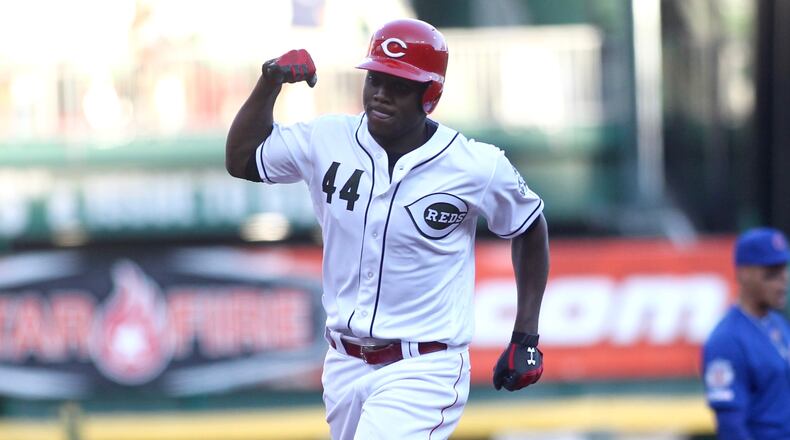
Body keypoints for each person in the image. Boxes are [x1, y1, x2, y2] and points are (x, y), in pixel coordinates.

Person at [225, 18, 549, 439]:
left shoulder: (475, 165)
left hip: (424, 366)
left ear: (429, 94)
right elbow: (242, 158)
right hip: (343, 362)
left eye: (398, 85)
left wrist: (525, 335)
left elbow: (529, 226)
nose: (380, 93)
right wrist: (269, 82)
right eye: (375, 79)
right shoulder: (327, 138)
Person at [702, 227, 790, 440]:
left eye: (784, 269)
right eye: (771, 272)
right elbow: (731, 427)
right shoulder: (727, 340)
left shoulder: (777, 323)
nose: (783, 279)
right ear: (744, 274)